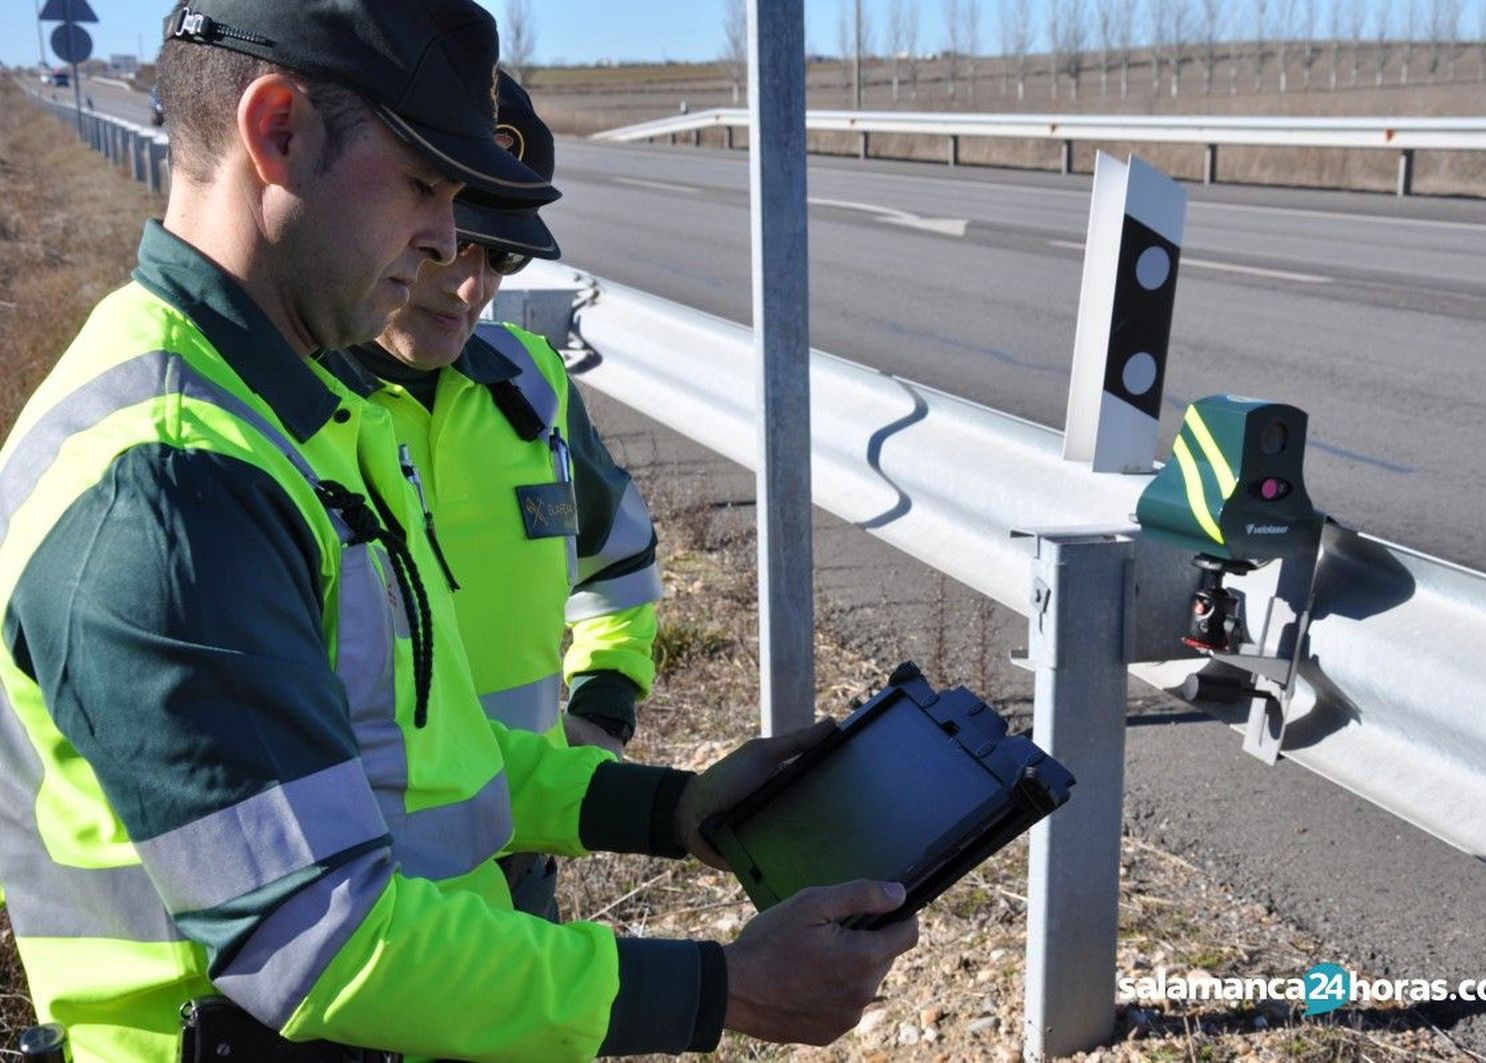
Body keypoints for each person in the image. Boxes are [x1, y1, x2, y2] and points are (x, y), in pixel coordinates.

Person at [0, 2, 917, 1061]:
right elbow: (321, 940)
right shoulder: (172, 481)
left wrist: (676, 810)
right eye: (424, 183)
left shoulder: (312, 415)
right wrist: (724, 989)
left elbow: (433, 768)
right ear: (277, 131)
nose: (448, 241)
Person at [321, 71, 655, 921]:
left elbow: (617, 560)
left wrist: (605, 711)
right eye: (447, 243)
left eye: (501, 256)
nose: (470, 285)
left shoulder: (531, 385)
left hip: (522, 861)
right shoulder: (285, 406)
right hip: (367, 903)